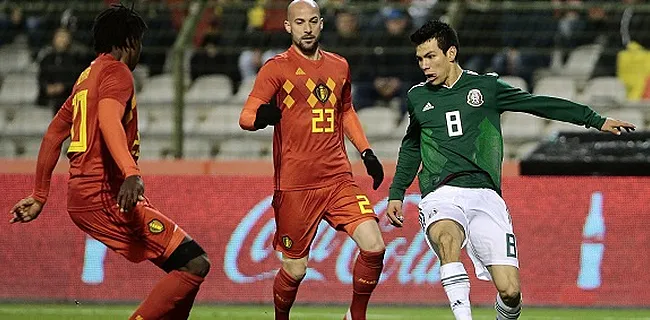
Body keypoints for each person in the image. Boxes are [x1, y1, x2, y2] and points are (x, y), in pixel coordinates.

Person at [385, 20, 635, 320]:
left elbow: (539, 104)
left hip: (485, 196)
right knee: (447, 240)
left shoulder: (486, 88)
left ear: (451, 53)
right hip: (441, 194)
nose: (424, 65)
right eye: (420, 59)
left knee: (510, 292)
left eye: (430, 56)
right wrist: (397, 192)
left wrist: (594, 119)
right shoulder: (418, 97)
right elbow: (411, 145)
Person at [8, 5, 210, 320]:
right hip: (103, 193)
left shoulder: (86, 78)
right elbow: (108, 120)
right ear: (129, 41)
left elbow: (52, 136)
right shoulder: (118, 73)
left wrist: (39, 195)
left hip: (85, 195)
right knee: (195, 263)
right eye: (139, 42)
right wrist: (132, 173)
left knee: (185, 266)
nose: (140, 50)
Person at [239, 1, 386, 319]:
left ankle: (355, 316)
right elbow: (246, 116)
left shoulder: (339, 66)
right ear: (289, 26)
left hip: (337, 179)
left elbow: (345, 111)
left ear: (321, 24)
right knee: (295, 269)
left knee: (374, 245)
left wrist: (366, 152)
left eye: (313, 21)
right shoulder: (276, 68)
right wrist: (262, 116)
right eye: (300, 22)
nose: (307, 27)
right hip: (295, 186)